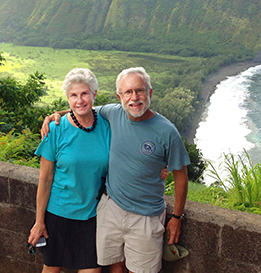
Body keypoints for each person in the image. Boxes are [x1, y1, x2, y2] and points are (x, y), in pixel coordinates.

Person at [42, 67, 189, 273]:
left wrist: (177, 217)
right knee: (115, 265)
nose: (134, 97)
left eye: (140, 90)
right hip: (110, 208)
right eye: (128, 92)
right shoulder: (113, 112)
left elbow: (181, 176)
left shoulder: (167, 131)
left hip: (145, 215)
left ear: (150, 93)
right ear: (119, 96)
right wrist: (55, 115)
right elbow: (83, 108)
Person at [29, 68, 111, 273]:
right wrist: (39, 221)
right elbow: (45, 179)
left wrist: (157, 167)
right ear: (67, 98)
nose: (79, 100)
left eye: (84, 93)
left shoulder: (108, 126)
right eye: (73, 95)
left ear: (94, 94)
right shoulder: (55, 129)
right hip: (59, 213)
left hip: (93, 215)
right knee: (51, 269)